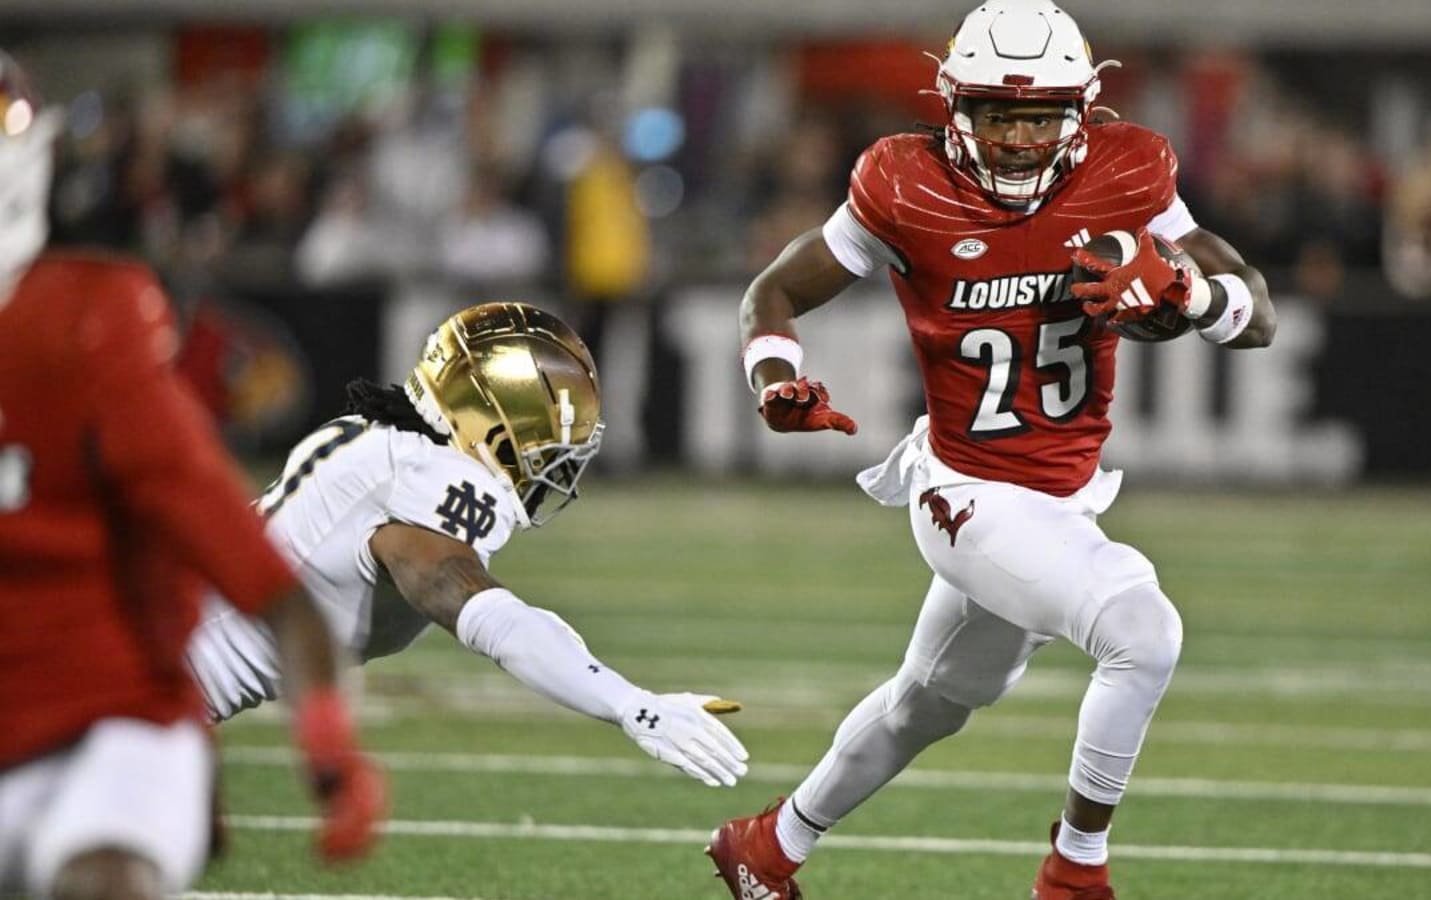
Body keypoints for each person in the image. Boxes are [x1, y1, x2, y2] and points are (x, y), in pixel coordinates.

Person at [707, 2, 1276, 898]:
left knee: (926, 705)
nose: (1016, 137)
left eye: (1038, 114)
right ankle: (1074, 872)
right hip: (965, 489)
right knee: (1143, 631)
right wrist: (773, 379)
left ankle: (767, 847)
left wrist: (1193, 295)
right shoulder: (904, 183)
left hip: (1062, 497)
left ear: (1081, 110)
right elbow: (773, 292)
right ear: (952, 106)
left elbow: (1257, 313)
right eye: (997, 113)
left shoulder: (1131, 173)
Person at [0, 53, 384, 900]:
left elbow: (259, 574)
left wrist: (325, 742)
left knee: (102, 881)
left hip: (109, 729)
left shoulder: (82, 326)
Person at [184, 301, 750, 790]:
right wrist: (631, 705)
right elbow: (487, 614)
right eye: (550, 437)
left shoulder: (386, 441)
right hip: (148, 673)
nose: (557, 460)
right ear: (497, 424)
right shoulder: (429, 476)